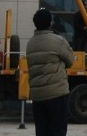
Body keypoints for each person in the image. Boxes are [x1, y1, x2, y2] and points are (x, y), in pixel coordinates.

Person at [26, 8, 75, 136]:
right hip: (56, 95)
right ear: (50, 23)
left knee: (42, 131)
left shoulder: (30, 44)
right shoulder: (57, 40)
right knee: (57, 131)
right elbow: (70, 61)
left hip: (38, 96)